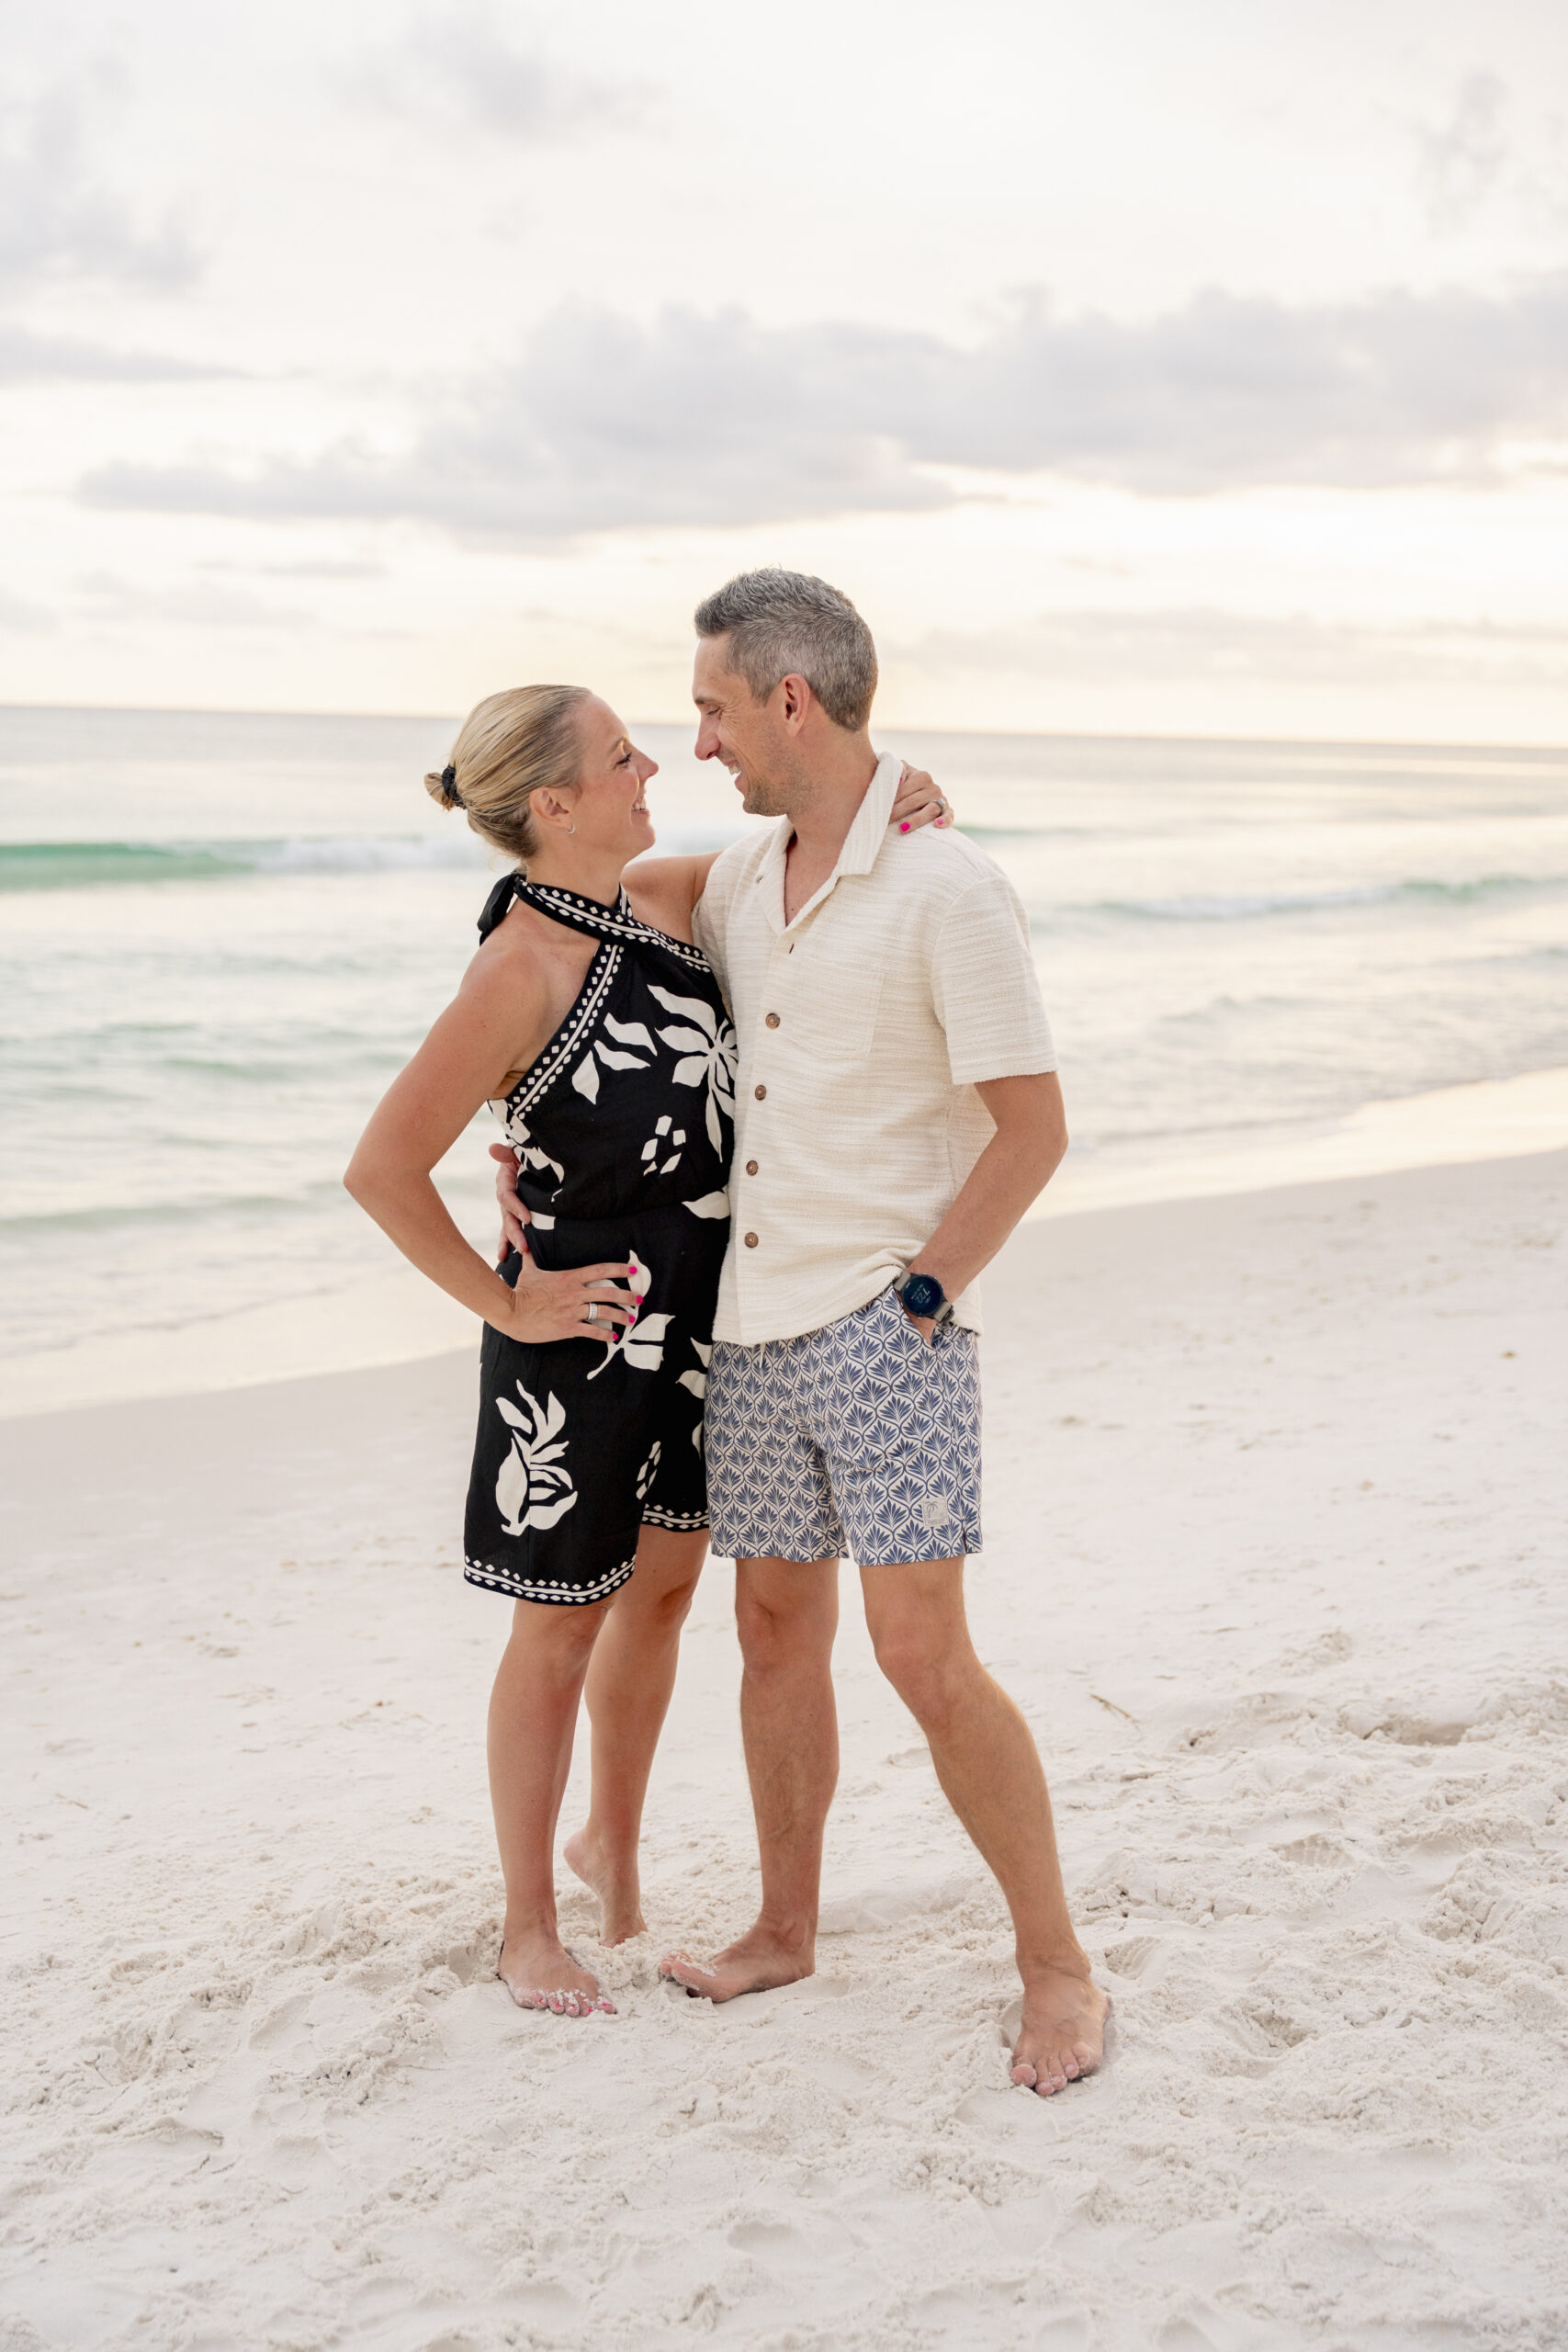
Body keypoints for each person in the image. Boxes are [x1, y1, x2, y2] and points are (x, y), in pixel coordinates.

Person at [345, 683, 947, 2018]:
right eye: (622, 758)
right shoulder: (519, 970)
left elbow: (801, 849)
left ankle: (611, 1847)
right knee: (556, 1632)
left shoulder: (658, 901)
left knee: (664, 1598)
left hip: (710, 1313)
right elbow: (383, 1169)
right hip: (585, 1333)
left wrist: (903, 793)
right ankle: (526, 1925)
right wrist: (507, 1307)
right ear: (551, 803)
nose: (653, 766)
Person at [651, 568, 1108, 2097]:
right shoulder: (739, 882)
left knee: (922, 1655)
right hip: (750, 1326)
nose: (700, 737)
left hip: (881, 1323)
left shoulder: (950, 887)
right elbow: (595, 897)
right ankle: (786, 1927)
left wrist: (926, 1293)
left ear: (789, 697)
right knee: (774, 1631)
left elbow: (1032, 1130)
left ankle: (1057, 1962)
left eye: (714, 705)